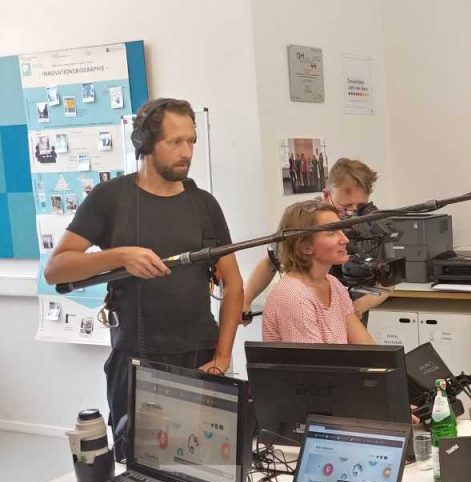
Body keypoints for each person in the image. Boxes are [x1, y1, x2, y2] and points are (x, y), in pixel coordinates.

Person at [43, 97, 243, 440]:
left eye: (191, 141)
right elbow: (56, 269)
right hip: (135, 360)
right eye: (175, 142)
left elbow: (234, 286)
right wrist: (120, 256)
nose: (187, 152)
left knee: (208, 465)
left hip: (199, 356)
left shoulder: (203, 204)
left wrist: (223, 356)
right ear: (144, 143)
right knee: (136, 467)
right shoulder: (110, 199)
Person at [243, 158, 390, 322]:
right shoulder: (303, 220)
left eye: (359, 206)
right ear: (327, 195)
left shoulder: (373, 225)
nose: (352, 213)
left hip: (350, 317)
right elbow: (270, 261)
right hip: (307, 314)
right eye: (345, 207)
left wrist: (357, 307)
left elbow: (388, 282)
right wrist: (244, 301)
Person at [262, 200, 374, 344]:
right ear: (305, 247)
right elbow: (314, 364)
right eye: (332, 233)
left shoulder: (333, 284)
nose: (345, 239)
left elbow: (365, 345)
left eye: (341, 230)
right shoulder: (295, 298)